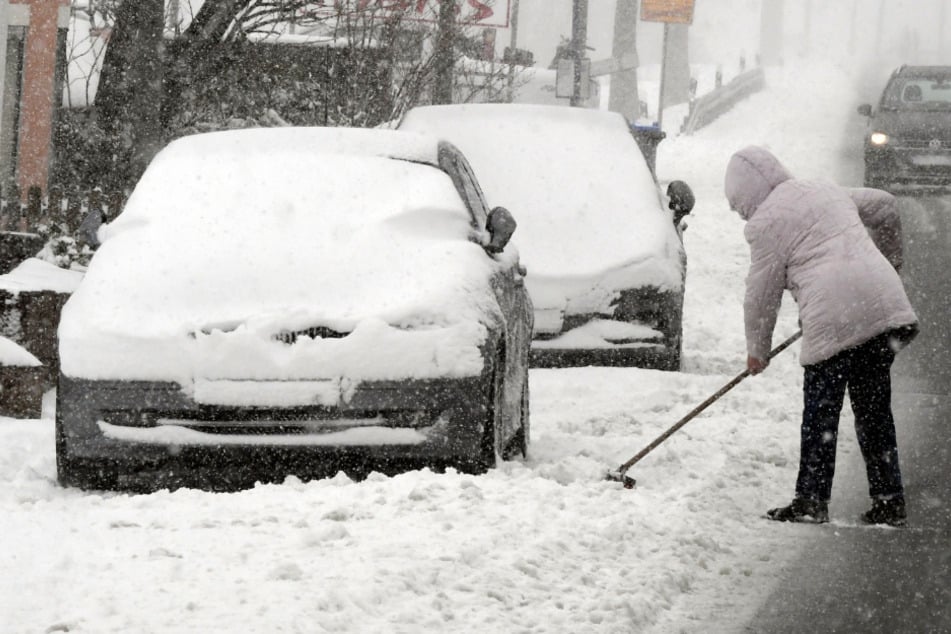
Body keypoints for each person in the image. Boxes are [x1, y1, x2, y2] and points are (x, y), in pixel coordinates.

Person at [724, 145, 918, 527]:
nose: (739, 212)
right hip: (884, 310)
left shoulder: (764, 225)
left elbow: (760, 296)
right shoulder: (824, 189)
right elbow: (885, 205)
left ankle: (812, 500)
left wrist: (757, 351)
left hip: (837, 318)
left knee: (821, 414)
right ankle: (889, 499)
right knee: (873, 409)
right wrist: (891, 263)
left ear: (746, 196)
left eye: (736, 204)